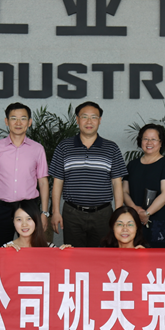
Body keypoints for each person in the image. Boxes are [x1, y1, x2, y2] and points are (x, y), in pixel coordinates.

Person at [49, 101, 127, 248]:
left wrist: (118, 215)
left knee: (102, 255)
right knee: (73, 254)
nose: (89, 121)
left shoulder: (111, 148)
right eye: (84, 117)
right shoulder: (64, 147)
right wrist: (55, 212)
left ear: (100, 120)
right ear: (77, 119)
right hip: (72, 213)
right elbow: (57, 182)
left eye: (94, 117)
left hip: (103, 214)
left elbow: (117, 183)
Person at [4, 200, 68, 330]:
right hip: (16, 308)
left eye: (29, 219)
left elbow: (63, 279)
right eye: (19, 219)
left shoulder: (50, 249)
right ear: (13, 222)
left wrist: (67, 256)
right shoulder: (5, 249)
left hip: (43, 308)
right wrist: (5, 258)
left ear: (37, 221)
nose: (24, 224)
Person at [0, 102, 49, 246]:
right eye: (13, 118)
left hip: (29, 208)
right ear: (6, 121)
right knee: (0, 250)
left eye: (23, 118)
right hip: (2, 209)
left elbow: (43, 181)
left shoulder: (37, 149)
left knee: (31, 249)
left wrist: (44, 212)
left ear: (29, 122)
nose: (18, 123)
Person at [122, 123, 165, 248]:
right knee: (134, 252)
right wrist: (136, 210)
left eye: (153, 139)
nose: (149, 142)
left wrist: (146, 213)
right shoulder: (132, 165)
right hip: (134, 218)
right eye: (145, 139)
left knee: (159, 254)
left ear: (161, 142)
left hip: (159, 219)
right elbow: (124, 192)